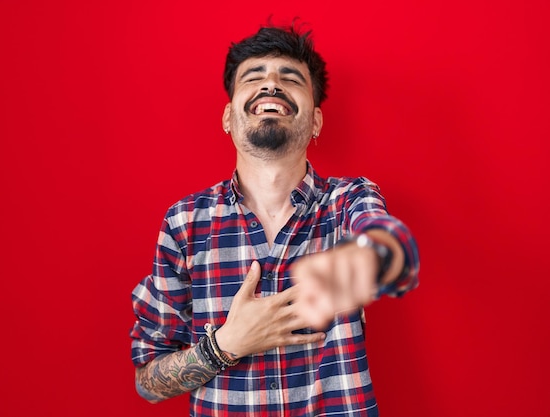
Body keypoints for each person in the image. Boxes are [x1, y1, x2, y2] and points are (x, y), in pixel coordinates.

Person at [130, 21, 419, 417]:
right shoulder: (184, 223)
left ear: (315, 121)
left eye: (290, 78)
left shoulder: (349, 199)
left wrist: (371, 258)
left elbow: (391, 244)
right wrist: (226, 344)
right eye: (254, 76)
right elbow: (148, 381)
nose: (271, 84)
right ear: (228, 117)